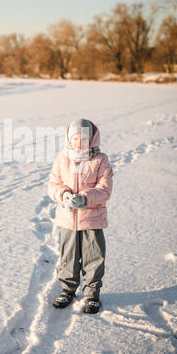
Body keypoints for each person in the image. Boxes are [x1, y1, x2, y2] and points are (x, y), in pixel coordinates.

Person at [47, 118, 114, 313]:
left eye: (83, 139)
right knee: (68, 256)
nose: (79, 143)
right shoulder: (62, 159)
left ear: (92, 139)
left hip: (92, 219)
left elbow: (105, 189)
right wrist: (64, 194)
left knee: (94, 257)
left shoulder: (100, 159)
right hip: (68, 219)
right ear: (68, 138)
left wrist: (85, 199)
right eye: (75, 138)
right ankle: (68, 289)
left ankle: (92, 294)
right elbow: (53, 184)